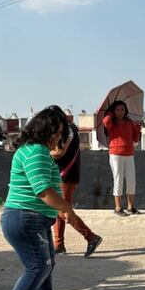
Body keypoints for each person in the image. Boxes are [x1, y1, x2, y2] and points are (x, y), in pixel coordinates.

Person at [0, 107, 88, 290]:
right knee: (38, 266)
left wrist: (61, 209)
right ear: (45, 130)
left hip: (34, 219)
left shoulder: (36, 151)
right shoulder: (35, 152)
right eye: (56, 132)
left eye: (61, 133)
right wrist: (66, 208)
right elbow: (43, 191)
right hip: (24, 219)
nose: (58, 137)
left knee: (47, 264)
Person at [46, 106, 103, 257]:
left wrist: (44, 152)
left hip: (66, 174)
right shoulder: (65, 128)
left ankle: (91, 237)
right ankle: (59, 244)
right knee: (58, 209)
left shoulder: (68, 130)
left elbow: (59, 152)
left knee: (62, 209)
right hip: (62, 174)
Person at [102, 100, 141, 216]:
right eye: (117, 110)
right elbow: (105, 122)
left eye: (122, 110)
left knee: (131, 180)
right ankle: (118, 207)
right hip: (116, 154)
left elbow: (135, 139)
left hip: (129, 154)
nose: (120, 112)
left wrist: (137, 128)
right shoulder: (111, 123)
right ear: (113, 111)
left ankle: (131, 206)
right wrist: (110, 112)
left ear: (126, 111)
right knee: (118, 179)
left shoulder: (129, 122)